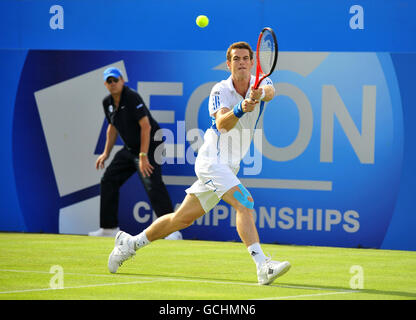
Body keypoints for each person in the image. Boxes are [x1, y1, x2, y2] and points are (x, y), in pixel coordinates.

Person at [107, 42, 290, 285]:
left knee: (180, 219)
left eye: (246, 58)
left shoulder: (262, 82)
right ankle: (262, 265)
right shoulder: (220, 90)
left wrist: (257, 95)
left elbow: (271, 92)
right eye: (237, 59)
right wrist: (241, 107)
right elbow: (223, 124)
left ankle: (129, 244)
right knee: (245, 203)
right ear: (229, 64)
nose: (242, 62)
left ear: (252, 62)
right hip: (211, 161)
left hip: (230, 165)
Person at [89, 67, 182, 241]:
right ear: (105, 84)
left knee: (152, 183)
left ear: (122, 81)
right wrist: (105, 153)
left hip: (152, 145)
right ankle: (108, 228)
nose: (113, 84)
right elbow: (112, 127)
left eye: (115, 80)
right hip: (130, 148)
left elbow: (145, 127)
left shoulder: (131, 97)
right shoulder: (107, 103)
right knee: (108, 179)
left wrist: (143, 156)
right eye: (109, 81)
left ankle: (171, 230)